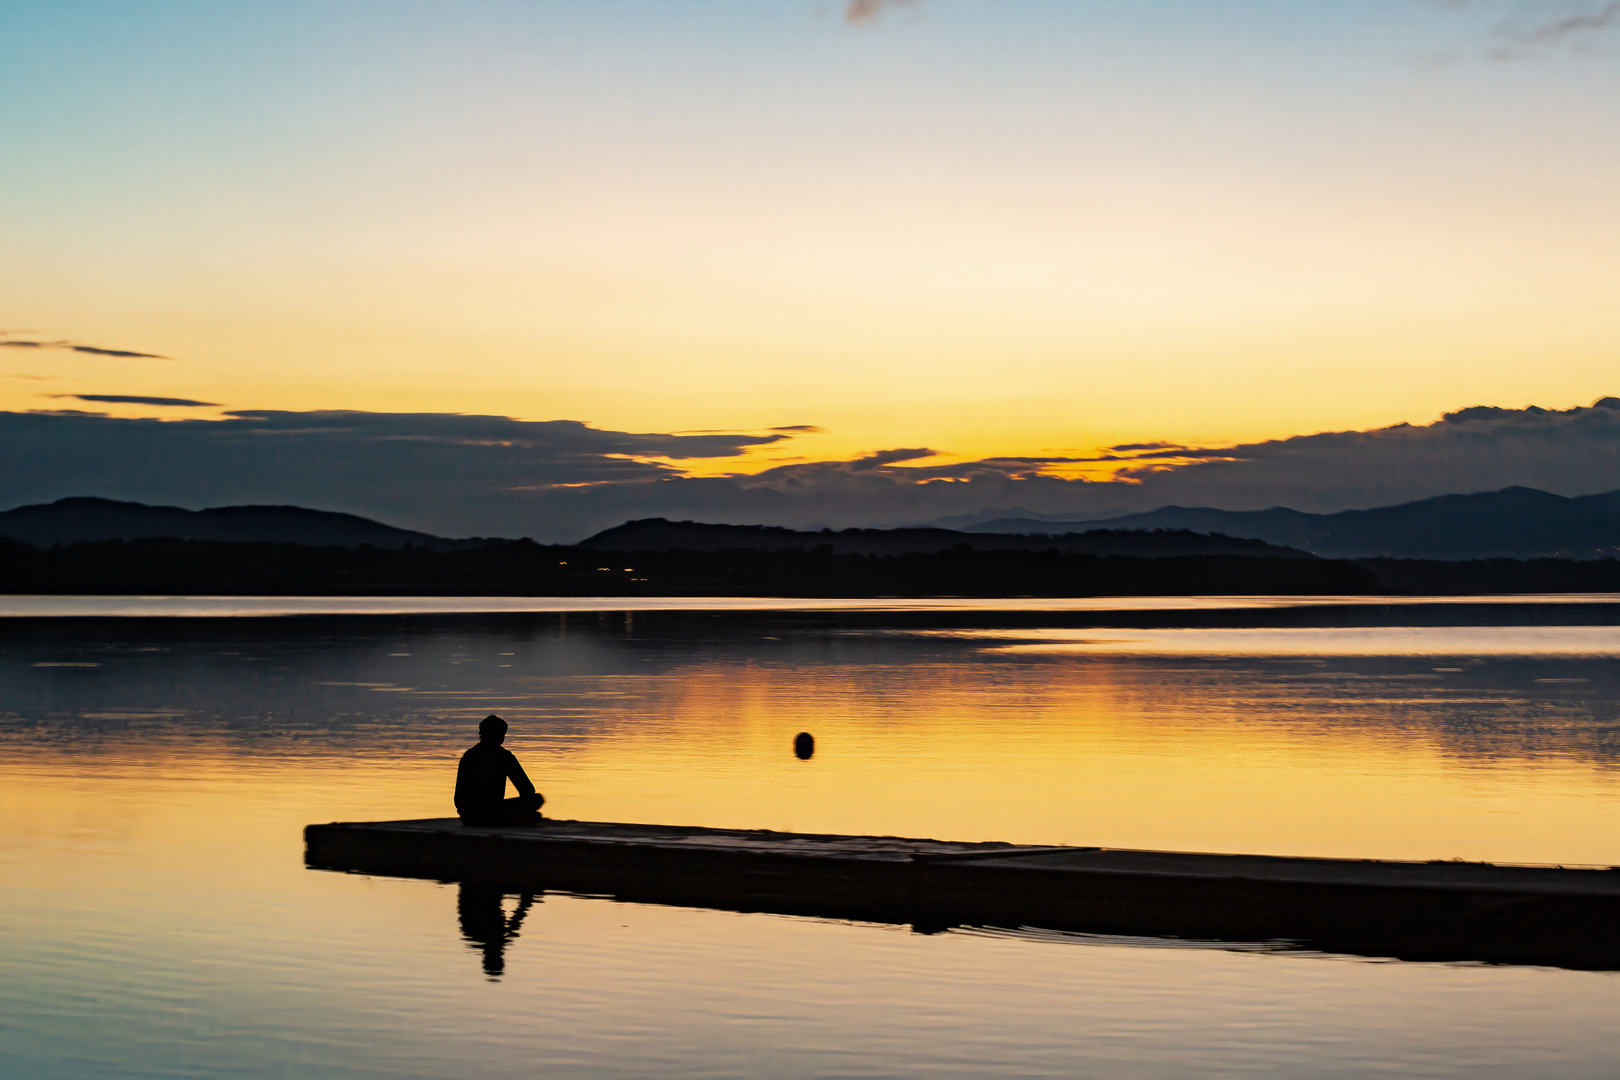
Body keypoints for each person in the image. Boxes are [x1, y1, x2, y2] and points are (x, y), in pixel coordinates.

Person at [455, 714, 545, 826]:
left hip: (468, 817)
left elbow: (458, 799)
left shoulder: (468, 756)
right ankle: (514, 819)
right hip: (490, 812)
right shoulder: (504, 756)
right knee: (537, 799)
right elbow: (527, 790)